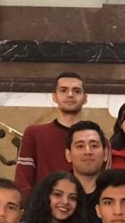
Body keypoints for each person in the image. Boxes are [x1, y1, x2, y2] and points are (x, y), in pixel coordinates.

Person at [15, 72, 86, 203]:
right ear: (54, 97)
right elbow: (23, 178)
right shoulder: (34, 134)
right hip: (42, 209)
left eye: (76, 91)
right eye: (63, 90)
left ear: (85, 98)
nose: (70, 95)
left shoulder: (97, 141)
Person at [65, 120, 110, 223]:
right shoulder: (54, 193)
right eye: (80, 146)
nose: (88, 152)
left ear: (105, 153)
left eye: (94, 145)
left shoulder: (116, 191)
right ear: (68, 154)